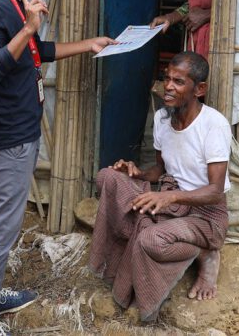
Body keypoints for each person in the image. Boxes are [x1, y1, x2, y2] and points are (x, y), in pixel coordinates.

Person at [0, 0, 114, 336]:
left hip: (22, 128)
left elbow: (35, 52)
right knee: (0, 225)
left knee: (7, 223)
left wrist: (87, 45)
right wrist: (29, 28)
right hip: (9, 133)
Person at [88, 51, 230, 322]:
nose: (168, 86)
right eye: (167, 79)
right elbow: (160, 171)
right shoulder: (163, 120)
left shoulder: (213, 124)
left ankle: (205, 252)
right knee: (107, 176)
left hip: (205, 216)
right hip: (170, 199)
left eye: (178, 81)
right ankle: (130, 244)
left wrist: (171, 197)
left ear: (199, 89)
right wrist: (137, 172)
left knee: (150, 239)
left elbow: (215, 190)